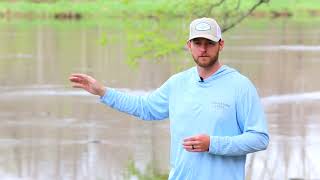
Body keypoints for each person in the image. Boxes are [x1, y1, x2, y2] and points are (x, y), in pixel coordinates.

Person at [69, 17, 269, 180]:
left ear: (221, 45)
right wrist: (103, 92)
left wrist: (213, 144)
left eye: (209, 43)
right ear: (189, 45)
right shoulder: (177, 83)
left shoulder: (240, 86)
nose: (203, 49)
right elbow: (145, 108)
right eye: (198, 43)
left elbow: (259, 138)